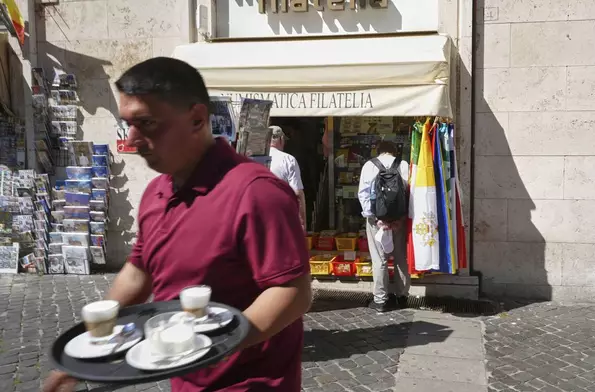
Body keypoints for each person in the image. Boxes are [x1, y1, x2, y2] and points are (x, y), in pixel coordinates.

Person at [43, 57, 312, 392]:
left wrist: (210, 350)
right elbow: (139, 270)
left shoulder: (256, 192)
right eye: (128, 123)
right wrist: (90, 346)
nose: (133, 138)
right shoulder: (156, 192)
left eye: (147, 123)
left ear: (197, 118)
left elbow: (293, 292)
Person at [357, 141, 411, 312]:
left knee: (379, 259)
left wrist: (373, 218)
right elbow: (410, 193)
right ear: (394, 151)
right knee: (401, 257)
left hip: (377, 221)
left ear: (378, 151)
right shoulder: (403, 165)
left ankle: (380, 300)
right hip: (399, 221)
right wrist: (401, 219)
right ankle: (402, 296)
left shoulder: (369, 165)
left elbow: (363, 194)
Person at [268, 125, 306, 230]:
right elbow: (297, 193)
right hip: (281, 217)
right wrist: (302, 223)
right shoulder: (288, 159)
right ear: (281, 139)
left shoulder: (252, 158)